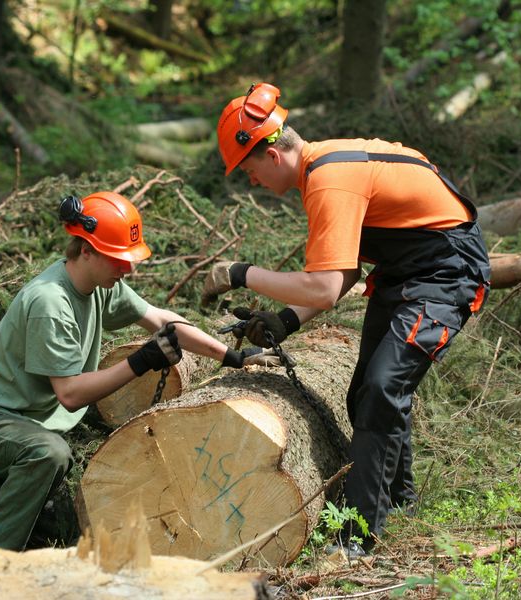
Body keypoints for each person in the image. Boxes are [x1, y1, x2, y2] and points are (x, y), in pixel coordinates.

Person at [202, 83, 491, 554]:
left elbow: (324, 286)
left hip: (446, 273)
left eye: (248, 171)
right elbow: (344, 272)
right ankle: (399, 500)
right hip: (405, 271)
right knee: (365, 394)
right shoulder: (323, 166)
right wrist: (286, 322)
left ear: (272, 155)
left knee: (383, 388)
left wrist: (242, 274)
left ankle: (357, 537)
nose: (251, 182)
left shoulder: (328, 181)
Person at [0, 190, 271, 551]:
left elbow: (163, 321)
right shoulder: (50, 302)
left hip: (31, 423)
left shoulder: (99, 284)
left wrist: (233, 356)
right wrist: (140, 362)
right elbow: (70, 395)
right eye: (119, 259)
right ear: (86, 250)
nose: (128, 269)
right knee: (49, 453)